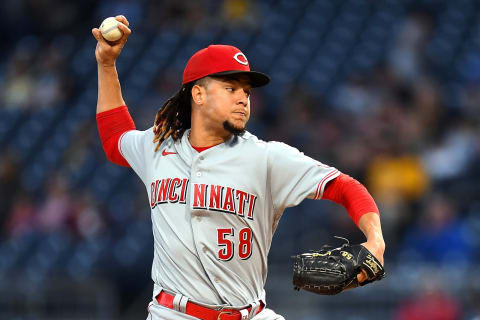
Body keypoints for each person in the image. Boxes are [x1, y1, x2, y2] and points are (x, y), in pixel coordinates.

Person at [92, 16, 385, 320]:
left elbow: (346, 187)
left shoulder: (267, 157)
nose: (244, 99)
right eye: (231, 88)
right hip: (174, 314)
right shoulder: (159, 147)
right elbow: (115, 140)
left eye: (246, 91)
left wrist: (375, 238)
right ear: (198, 94)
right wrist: (106, 65)